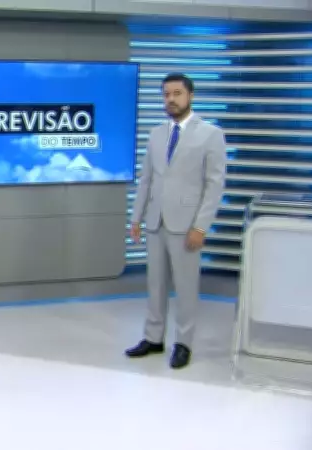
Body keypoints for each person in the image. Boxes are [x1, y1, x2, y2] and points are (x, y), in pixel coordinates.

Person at [126, 73, 227, 369]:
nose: (171, 99)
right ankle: (153, 338)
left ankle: (183, 343)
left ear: (190, 96)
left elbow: (214, 185)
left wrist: (201, 226)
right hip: (155, 221)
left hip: (187, 224)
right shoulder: (156, 134)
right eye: (166, 94)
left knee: (185, 287)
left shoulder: (210, 134)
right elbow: (146, 179)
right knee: (155, 285)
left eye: (177, 94)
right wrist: (136, 217)